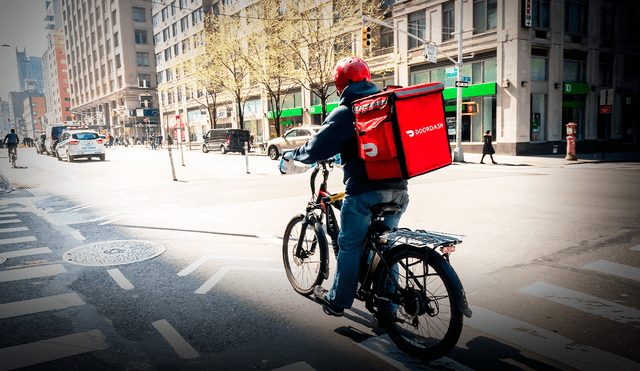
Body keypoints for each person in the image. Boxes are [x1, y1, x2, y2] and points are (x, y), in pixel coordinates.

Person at [280, 56, 409, 317]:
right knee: (385, 246)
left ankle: (338, 301)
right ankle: (390, 305)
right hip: (399, 189)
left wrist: (292, 157)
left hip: (365, 193)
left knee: (349, 244)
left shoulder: (349, 109)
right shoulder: (385, 103)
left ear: (340, 84)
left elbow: (317, 147)